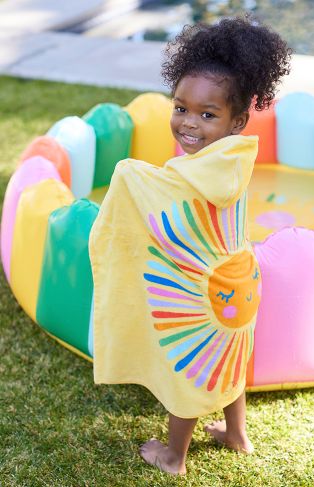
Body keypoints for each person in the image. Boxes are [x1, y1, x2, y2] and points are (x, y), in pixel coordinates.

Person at [90, 15, 291, 476]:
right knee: (228, 360)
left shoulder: (196, 170)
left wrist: (127, 174)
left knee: (191, 371)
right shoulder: (236, 156)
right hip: (239, 285)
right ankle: (237, 434)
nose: (189, 123)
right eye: (180, 108)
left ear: (238, 119)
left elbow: (157, 194)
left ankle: (174, 457)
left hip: (203, 298)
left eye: (208, 114)